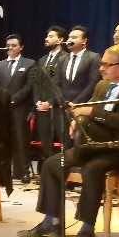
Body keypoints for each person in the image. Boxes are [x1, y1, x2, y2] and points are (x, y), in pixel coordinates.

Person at [17, 44, 119, 237]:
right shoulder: (102, 86)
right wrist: (77, 120)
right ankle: (52, 221)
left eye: (107, 64)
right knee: (52, 163)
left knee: (93, 169)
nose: (101, 68)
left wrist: (92, 113)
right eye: (101, 64)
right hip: (94, 144)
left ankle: (87, 230)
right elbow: (87, 111)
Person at [0, 34, 35, 183]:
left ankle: (23, 171)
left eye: (14, 45)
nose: (10, 48)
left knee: (21, 140)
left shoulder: (29, 63)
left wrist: (14, 99)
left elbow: (29, 86)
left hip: (20, 107)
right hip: (2, 108)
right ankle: (3, 172)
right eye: (8, 45)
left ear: (21, 47)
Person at [55, 25, 102, 146]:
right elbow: (57, 83)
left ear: (84, 40)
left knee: (80, 144)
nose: (69, 40)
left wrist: (76, 103)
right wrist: (64, 102)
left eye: (74, 37)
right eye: (69, 37)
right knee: (65, 144)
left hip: (82, 107)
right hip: (64, 108)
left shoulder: (93, 58)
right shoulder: (62, 59)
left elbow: (93, 83)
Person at [31, 26, 68, 168]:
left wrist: (51, 102)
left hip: (58, 107)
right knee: (45, 142)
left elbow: (64, 85)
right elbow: (36, 84)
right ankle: (49, 171)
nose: (47, 39)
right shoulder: (42, 60)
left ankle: (64, 172)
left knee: (64, 141)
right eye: (47, 36)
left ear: (60, 39)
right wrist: (37, 101)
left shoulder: (65, 58)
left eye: (51, 36)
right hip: (42, 108)